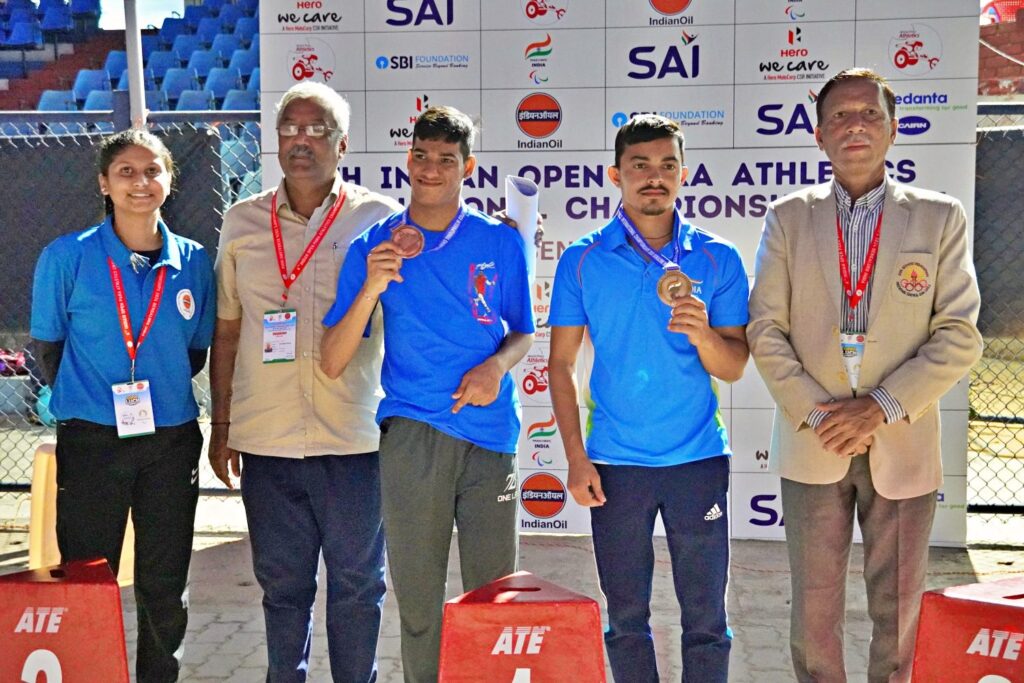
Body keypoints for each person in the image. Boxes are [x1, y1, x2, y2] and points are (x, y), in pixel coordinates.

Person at [747, 67, 983, 682]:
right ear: (819, 134)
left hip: (901, 438)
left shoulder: (938, 217)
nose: (856, 126)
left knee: (899, 609)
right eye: (841, 116)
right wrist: (821, 413)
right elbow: (765, 330)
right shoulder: (787, 218)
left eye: (870, 114)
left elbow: (959, 334)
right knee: (814, 612)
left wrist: (878, 407)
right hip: (815, 438)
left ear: (893, 128)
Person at [320, 105, 534, 682]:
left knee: (493, 598)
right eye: (421, 155)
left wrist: (495, 367)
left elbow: (523, 331)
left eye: (446, 159)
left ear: (469, 167)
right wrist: (372, 285)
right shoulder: (376, 244)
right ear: (407, 158)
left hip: (490, 433)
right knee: (418, 604)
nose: (431, 169)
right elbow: (332, 360)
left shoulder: (499, 241)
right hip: (413, 434)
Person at [209, 81, 401, 682]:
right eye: (290, 128)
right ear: (275, 140)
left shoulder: (377, 219)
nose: (301, 140)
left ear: (342, 144)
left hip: (354, 441)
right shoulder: (242, 222)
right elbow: (228, 331)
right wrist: (221, 424)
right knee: (283, 588)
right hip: (267, 441)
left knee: (357, 586)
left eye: (317, 129)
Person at [547, 114, 749, 682]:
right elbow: (560, 365)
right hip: (615, 464)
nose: (653, 177)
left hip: (696, 460)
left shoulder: (717, 258)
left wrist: (704, 335)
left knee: (706, 620)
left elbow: (733, 366)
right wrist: (576, 458)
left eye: (666, 165)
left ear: (683, 173)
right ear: (616, 175)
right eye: (639, 165)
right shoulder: (582, 258)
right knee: (626, 619)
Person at [29, 129, 216, 681]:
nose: (141, 182)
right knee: (89, 575)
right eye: (126, 172)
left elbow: (195, 352)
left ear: (170, 180)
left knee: (165, 582)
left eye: (153, 170)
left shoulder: (194, 261)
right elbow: (50, 347)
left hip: (170, 441)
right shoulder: (67, 256)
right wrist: (95, 402)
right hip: (91, 438)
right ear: (104, 184)